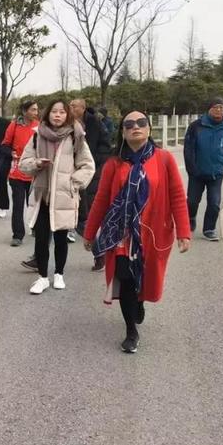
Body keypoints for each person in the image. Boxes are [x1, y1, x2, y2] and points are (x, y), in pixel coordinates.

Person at [82, 111, 191, 353]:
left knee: (143, 276)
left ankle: (139, 301)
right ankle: (131, 330)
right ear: (122, 132)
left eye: (141, 123)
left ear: (149, 129)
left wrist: (184, 232)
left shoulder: (164, 159)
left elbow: (177, 196)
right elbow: (101, 200)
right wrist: (89, 233)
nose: (135, 127)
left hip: (151, 233)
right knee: (126, 278)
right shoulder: (114, 164)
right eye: (129, 124)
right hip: (121, 235)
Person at [18, 98, 94, 294]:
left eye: (61, 112)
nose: (57, 115)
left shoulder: (75, 135)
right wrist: (36, 164)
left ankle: (59, 274)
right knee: (41, 239)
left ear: (67, 114)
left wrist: (73, 183)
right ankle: (42, 277)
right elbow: (23, 163)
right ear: (47, 114)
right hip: (41, 196)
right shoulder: (37, 135)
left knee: (61, 238)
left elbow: (88, 166)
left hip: (64, 196)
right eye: (54, 111)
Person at [183, 97, 223, 241]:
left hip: (217, 172)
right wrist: (191, 168)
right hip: (197, 172)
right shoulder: (196, 126)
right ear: (209, 109)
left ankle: (209, 229)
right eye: (215, 107)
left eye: (221, 107)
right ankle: (190, 218)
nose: (219, 110)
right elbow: (189, 149)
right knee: (192, 201)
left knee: (214, 203)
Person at [70, 98, 111, 269]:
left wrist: (94, 163)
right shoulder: (67, 124)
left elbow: (105, 146)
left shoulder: (95, 123)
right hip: (70, 172)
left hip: (92, 172)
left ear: (83, 108)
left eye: (74, 106)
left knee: (83, 218)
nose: (71, 108)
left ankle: (99, 251)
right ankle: (39, 257)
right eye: (69, 106)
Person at [0, 100, 40, 246]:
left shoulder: (39, 126)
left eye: (37, 109)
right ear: (24, 111)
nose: (36, 112)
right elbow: (4, 145)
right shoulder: (14, 125)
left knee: (34, 204)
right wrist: (11, 153)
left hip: (35, 172)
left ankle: (36, 227)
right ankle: (17, 235)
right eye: (33, 109)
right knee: (18, 205)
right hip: (17, 172)